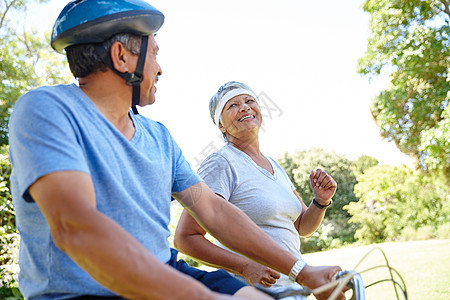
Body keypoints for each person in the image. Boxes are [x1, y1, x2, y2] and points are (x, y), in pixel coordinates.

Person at [8, 1, 344, 299]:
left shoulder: (158, 136)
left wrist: (302, 270)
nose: (160, 68)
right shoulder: (46, 109)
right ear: (121, 57)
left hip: (166, 271)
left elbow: (212, 210)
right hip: (83, 291)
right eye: (154, 53)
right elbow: (75, 226)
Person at [174, 81, 340, 294]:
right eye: (232, 105)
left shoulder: (275, 165)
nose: (244, 107)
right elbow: (186, 238)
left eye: (250, 100)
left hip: (293, 289)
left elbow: (302, 228)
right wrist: (243, 267)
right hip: (253, 292)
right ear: (221, 125)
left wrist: (320, 201)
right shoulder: (221, 163)